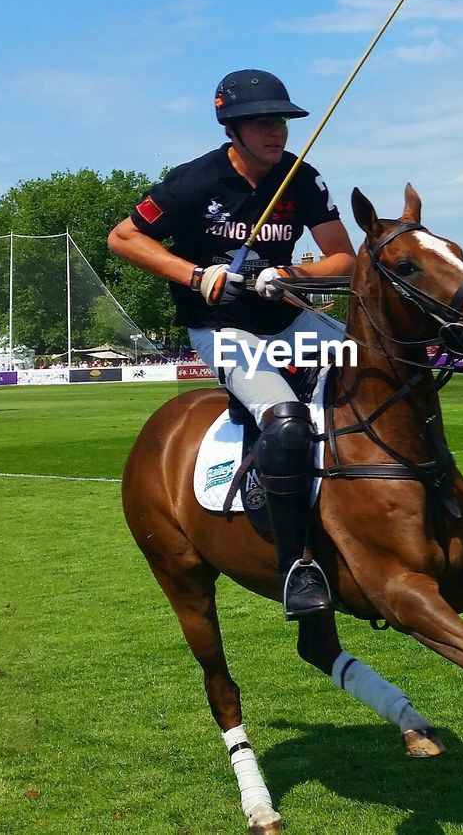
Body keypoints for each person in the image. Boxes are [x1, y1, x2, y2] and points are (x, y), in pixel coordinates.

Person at [108, 68, 356, 620]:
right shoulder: (193, 182)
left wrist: (293, 275)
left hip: (290, 321)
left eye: (282, 122)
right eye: (264, 122)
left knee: (373, 372)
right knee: (287, 418)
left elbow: (345, 259)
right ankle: (297, 566)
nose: (278, 132)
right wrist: (196, 276)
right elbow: (124, 237)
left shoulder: (303, 179)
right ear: (233, 127)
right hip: (223, 329)